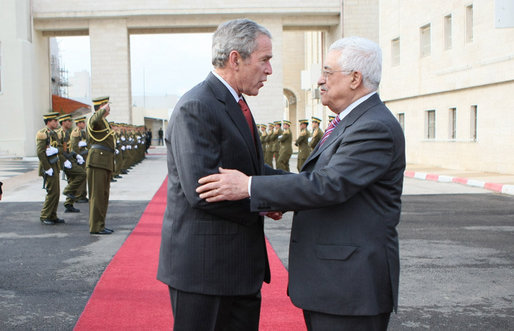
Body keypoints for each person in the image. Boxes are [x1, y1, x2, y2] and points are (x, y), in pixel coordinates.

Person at [196, 36, 406, 331]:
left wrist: (250, 187)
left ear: (355, 78)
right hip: (334, 284)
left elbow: (329, 185)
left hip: (350, 288)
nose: (320, 81)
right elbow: (311, 181)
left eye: (328, 72)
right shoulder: (352, 121)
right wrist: (261, 186)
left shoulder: (373, 127)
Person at [157, 18, 284, 331]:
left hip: (238, 269)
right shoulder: (197, 106)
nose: (269, 70)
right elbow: (204, 191)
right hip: (207, 273)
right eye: (265, 60)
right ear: (235, 59)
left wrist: (301, 184)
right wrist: (268, 197)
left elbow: (250, 172)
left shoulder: (235, 101)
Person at [87, 96, 115, 235]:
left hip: (104, 161)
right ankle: (96, 226)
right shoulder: (96, 119)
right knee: (97, 196)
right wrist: (101, 110)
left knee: (103, 195)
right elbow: (93, 121)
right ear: (101, 107)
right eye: (106, 105)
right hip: (97, 161)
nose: (109, 108)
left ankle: (100, 224)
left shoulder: (104, 122)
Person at [36, 112, 65, 225]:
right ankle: (45, 215)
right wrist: (47, 168)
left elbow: (61, 148)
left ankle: (53, 215)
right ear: (48, 122)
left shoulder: (53, 133)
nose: (57, 123)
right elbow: (40, 152)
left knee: (56, 192)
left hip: (54, 165)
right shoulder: (42, 134)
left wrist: (56, 150)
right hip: (47, 166)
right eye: (54, 121)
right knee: (52, 192)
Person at [56, 114, 86, 213]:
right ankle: (67, 191)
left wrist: (75, 155)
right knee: (81, 174)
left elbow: (68, 149)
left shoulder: (66, 133)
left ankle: (69, 203)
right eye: (68, 121)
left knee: (73, 180)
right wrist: (65, 161)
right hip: (65, 160)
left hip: (70, 158)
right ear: (63, 122)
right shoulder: (60, 134)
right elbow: (58, 150)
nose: (70, 123)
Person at [70, 116, 89, 203]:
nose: (84, 124)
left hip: (83, 156)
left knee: (84, 176)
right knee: (80, 176)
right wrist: (78, 156)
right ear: (78, 123)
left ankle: (82, 195)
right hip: (79, 157)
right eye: (82, 123)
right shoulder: (76, 132)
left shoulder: (82, 132)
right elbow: (74, 146)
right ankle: (78, 196)